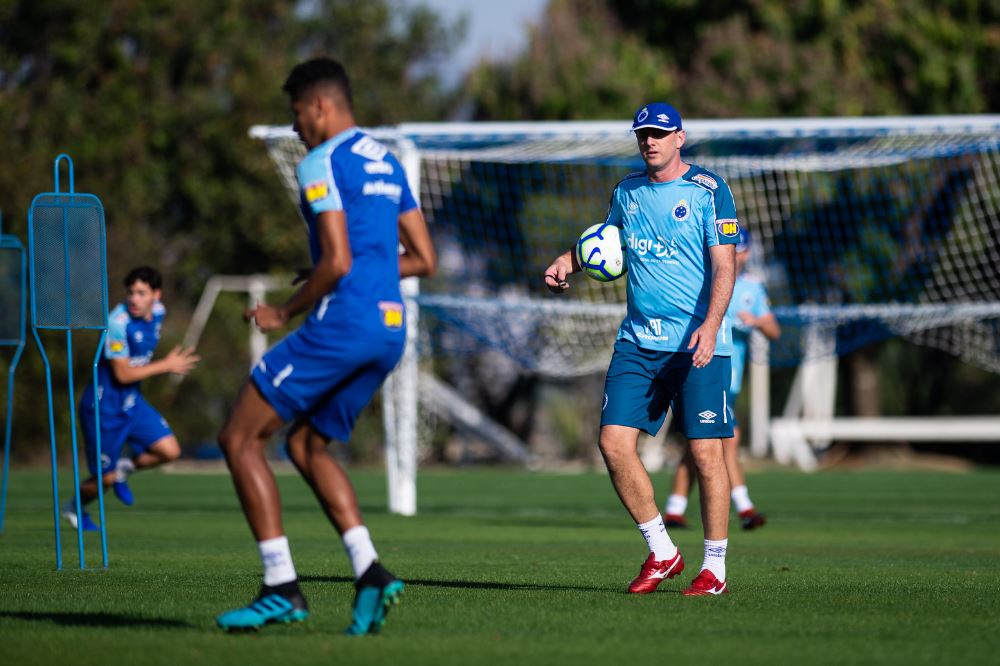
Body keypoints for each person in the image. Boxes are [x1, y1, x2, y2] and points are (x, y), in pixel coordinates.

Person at [214, 58, 436, 635]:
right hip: (389, 328)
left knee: (239, 437)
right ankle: (370, 573)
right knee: (307, 445)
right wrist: (351, 270)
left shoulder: (321, 162)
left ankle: (280, 587)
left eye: (296, 114)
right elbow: (425, 260)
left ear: (321, 106)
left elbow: (336, 261)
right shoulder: (386, 161)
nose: (295, 128)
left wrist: (283, 311)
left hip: (346, 322)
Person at [545, 102, 739, 597]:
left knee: (704, 453)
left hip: (697, 343)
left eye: (658, 133)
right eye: (642, 135)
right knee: (612, 444)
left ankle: (713, 567)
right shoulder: (626, 191)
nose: (649, 141)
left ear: (680, 137)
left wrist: (712, 325)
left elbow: (725, 267)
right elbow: (607, 244)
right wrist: (568, 260)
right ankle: (662, 552)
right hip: (638, 341)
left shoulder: (710, 192)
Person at [62, 266, 199, 531]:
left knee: (170, 451)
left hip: (131, 402)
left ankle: (124, 469)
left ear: (156, 295)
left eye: (141, 293)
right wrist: (167, 365)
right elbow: (123, 374)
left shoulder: (158, 313)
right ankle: (74, 507)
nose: (134, 299)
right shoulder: (117, 323)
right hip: (103, 408)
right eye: (130, 292)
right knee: (104, 480)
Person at [663, 228, 781, 531]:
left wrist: (754, 322)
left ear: (746, 253)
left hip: (734, 377)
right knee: (727, 439)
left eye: (739, 249)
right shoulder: (702, 279)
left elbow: (774, 330)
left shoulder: (752, 289)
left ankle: (674, 509)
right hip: (707, 372)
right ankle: (745, 508)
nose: (734, 254)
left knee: (700, 443)